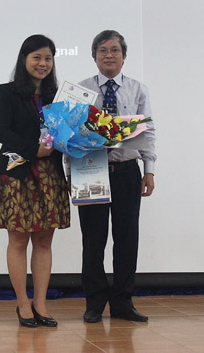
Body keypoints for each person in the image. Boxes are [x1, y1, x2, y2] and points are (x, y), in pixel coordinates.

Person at [0, 34, 70, 328]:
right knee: (18, 240)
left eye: (48, 58)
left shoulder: (58, 96)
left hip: (49, 175)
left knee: (44, 241)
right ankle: (22, 304)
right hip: (17, 172)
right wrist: (35, 150)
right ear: (24, 59)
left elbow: (65, 132)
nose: (43, 63)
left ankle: (40, 303)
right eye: (37, 57)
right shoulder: (7, 91)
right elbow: (2, 132)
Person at [77, 30, 156, 323]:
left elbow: (148, 131)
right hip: (89, 168)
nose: (109, 55)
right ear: (94, 56)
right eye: (102, 50)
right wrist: (70, 171)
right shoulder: (80, 91)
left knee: (126, 238)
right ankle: (94, 303)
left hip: (127, 171)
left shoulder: (137, 89)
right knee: (93, 240)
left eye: (114, 50)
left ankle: (123, 302)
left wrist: (149, 170)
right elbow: (68, 133)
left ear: (124, 56)